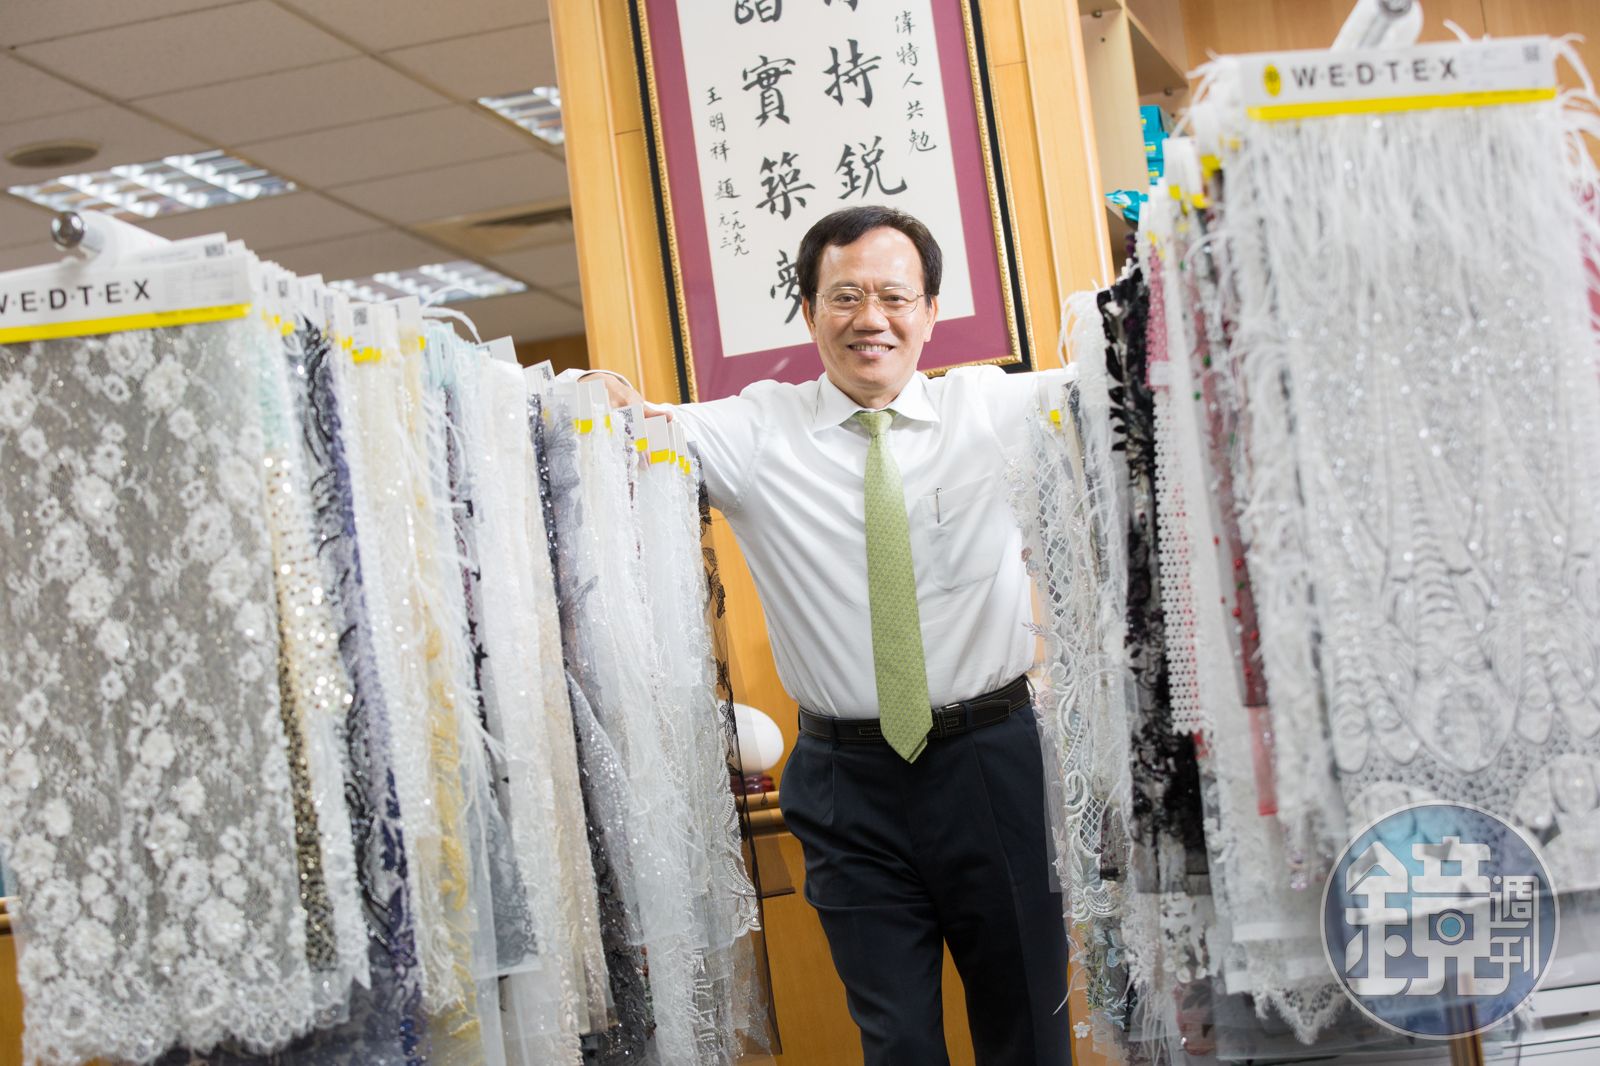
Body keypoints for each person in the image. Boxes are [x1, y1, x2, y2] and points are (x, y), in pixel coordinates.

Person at [579, 205, 1070, 1066]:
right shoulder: (758, 430)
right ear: (809, 312)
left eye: (894, 297)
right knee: (898, 1041)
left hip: (993, 761)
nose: (870, 318)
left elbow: (1116, 383)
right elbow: (632, 424)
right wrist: (598, 392)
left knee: (1028, 1026)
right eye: (845, 297)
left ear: (930, 312)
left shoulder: (990, 407)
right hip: (849, 784)